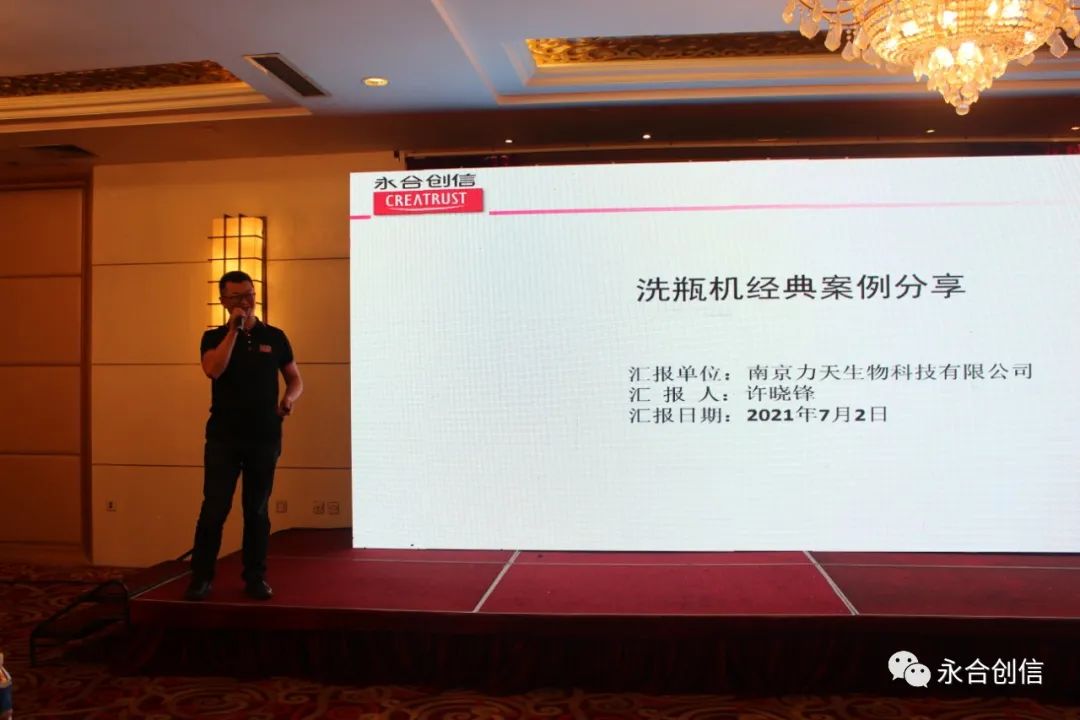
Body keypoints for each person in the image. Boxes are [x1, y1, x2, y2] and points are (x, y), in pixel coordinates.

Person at [185, 270, 303, 601]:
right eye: (236, 296)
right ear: (223, 301)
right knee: (214, 508)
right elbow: (213, 369)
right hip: (224, 437)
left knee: (257, 510)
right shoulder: (213, 337)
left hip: (264, 436)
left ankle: (255, 577)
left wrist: (289, 398)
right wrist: (233, 331)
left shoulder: (275, 336)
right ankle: (201, 578)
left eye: (249, 293)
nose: (246, 301)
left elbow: (295, 378)